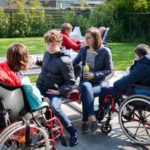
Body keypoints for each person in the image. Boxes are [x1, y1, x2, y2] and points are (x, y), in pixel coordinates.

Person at [36, 29, 78, 146]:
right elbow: (47, 64)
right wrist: (37, 62)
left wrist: (58, 91)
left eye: (53, 44)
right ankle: (48, 128)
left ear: (60, 43)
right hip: (41, 86)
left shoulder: (65, 60)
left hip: (54, 91)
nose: (50, 47)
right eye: (48, 44)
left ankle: (72, 131)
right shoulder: (47, 53)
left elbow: (70, 82)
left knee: (55, 107)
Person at [73, 27, 113, 133]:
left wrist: (94, 75)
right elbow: (74, 63)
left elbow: (109, 70)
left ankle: (85, 120)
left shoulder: (105, 51)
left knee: (86, 92)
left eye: (88, 38)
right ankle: (91, 117)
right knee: (86, 86)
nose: (85, 40)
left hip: (99, 82)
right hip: (85, 81)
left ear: (96, 39)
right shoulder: (83, 50)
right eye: (85, 38)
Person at [99, 44, 150, 118]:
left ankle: (100, 112)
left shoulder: (142, 66)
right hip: (142, 88)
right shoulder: (146, 63)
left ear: (141, 56)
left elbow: (129, 79)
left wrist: (116, 83)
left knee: (105, 90)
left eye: (135, 56)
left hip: (137, 91)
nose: (134, 58)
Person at [0, 43, 43, 110]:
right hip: (20, 111)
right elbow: (37, 103)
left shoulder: (3, 74)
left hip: (5, 109)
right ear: (23, 59)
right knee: (47, 100)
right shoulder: (24, 81)